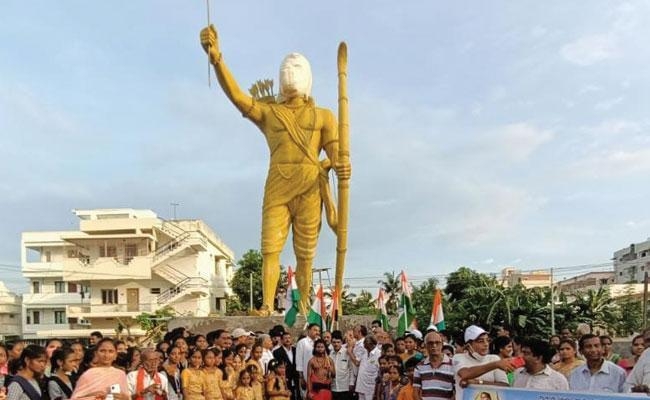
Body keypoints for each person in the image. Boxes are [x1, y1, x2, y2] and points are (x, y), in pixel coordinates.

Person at [200, 23, 351, 314]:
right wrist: (217, 58)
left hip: (310, 187)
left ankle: (305, 308)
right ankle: (267, 304)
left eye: (297, 68)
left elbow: (335, 154)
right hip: (277, 187)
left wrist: (341, 164)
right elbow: (238, 97)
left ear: (307, 78)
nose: (290, 72)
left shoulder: (324, 116)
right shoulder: (269, 112)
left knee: (305, 255)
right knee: (270, 249)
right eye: (286, 68)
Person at [453, 325, 512, 400]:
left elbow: (505, 386)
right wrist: (495, 365)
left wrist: (478, 382)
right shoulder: (459, 357)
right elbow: (465, 374)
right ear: (468, 345)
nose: (486, 344)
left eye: (487, 340)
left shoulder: (494, 359)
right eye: (480, 341)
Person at [413, 331, 454, 400]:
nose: (434, 346)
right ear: (425, 346)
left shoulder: (453, 364)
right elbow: (415, 393)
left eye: (437, 343)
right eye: (430, 343)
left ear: (442, 344)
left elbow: (457, 392)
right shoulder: (419, 367)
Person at [351, 335, 380, 400]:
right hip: (361, 386)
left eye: (365, 343)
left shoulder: (378, 354)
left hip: (371, 388)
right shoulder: (364, 352)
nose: (364, 345)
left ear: (371, 344)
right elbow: (357, 363)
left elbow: (379, 372)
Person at [273, 332, 299, 400]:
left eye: (289, 338)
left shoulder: (295, 350)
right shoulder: (277, 352)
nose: (287, 340)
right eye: (285, 338)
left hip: (295, 378)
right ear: (281, 340)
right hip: (285, 378)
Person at [329, 331, 352, 400]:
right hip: (333, 387)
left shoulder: (347, 353)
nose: (336, 344)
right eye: (334, 342)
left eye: (338, 342)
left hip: (345, 388)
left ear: (342, 342)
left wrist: (351, 383)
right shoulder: (330, 354)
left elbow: (351, 369)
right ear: (331, 342)